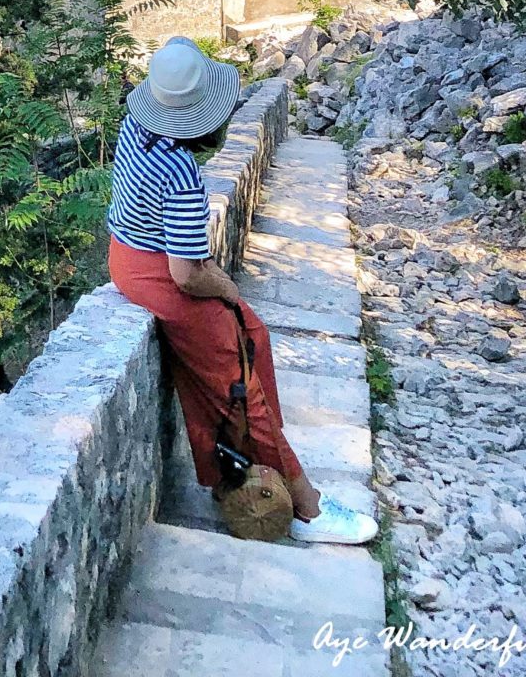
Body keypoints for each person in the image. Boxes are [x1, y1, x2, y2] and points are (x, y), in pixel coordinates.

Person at [107, 35, 377, 546]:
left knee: (255, 335)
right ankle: (305, 508)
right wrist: (226, 286)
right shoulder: (181, 173)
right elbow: (188, 275)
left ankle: (233, 471)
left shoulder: (135, 128)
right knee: (238, 376)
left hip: (126, 258)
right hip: (162, 279)